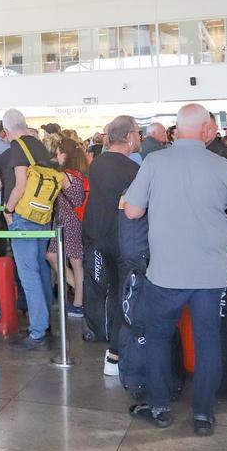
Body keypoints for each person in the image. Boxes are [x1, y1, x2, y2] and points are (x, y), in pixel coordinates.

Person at [123, 103, 227, 437]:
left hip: (165, 274)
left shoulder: (154, 162)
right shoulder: (222, 166)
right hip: (210, 275)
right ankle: (203, 415)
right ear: (204, 130)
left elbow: (132, 211)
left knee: (159, 338)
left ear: (177, 129)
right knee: (207, 341)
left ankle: (159, 407)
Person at [2, 108, 70, 351]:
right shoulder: (39, 145)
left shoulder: (18, 147)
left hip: (24, 216)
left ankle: (37, 331)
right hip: (43, 215)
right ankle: (45, 324)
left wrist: (8, 209)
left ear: (8, 131)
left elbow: (20, 184)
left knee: (28, 274)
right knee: (40, 270)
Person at [83, 115, 142, 376]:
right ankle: (117, 353)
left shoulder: (97, 164)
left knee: (104, 290)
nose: (139, 138)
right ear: (129, 137)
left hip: (98, 237)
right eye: (138, 133)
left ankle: (103, 337)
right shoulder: (133, 171)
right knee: (123, 296)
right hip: (123, 241)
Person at [47, 137, 88, 318]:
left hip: (68, 223)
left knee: (72, 262)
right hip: (76, 222)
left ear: (64, 155)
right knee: (69, 260)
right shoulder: (80, 174)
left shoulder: (64, 176)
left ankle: (79, 302)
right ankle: (81, 294)